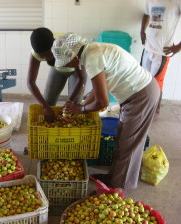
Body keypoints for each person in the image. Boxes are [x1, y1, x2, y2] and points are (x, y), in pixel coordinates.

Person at [51, 32, 160, 190]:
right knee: (122, 139)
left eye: (67, 62)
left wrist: (81, 109)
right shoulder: (93, 51)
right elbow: (98, 89)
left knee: (129, 145)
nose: (68, 65)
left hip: (141, 96)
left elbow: (103, 102)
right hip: (137, 94)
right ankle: (113, 177)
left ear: (74, 55)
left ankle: (115, 190)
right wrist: (81, 106)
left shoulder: (92, 59)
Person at [27, 27, 87, 122]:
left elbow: (82, 78)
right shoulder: (36, 53)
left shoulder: (69, 46)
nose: (47, 59)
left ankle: (70, 128)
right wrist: (45, 106)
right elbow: (30, 82)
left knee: (74, 104)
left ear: (55, 49)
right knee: (48, 102)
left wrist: (69, 102)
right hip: (57, 70)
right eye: (42, 57)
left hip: (76, 71)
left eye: (49, 54)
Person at [140, 0, 181, 115]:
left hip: (163, 51)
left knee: (157, 82)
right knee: (143, 78)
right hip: (148, 47)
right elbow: (146, 14)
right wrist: (142, 31)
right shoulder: (150, 1)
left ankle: (154, 110)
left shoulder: (176, 2)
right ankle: (145, 105)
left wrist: (178, 47)